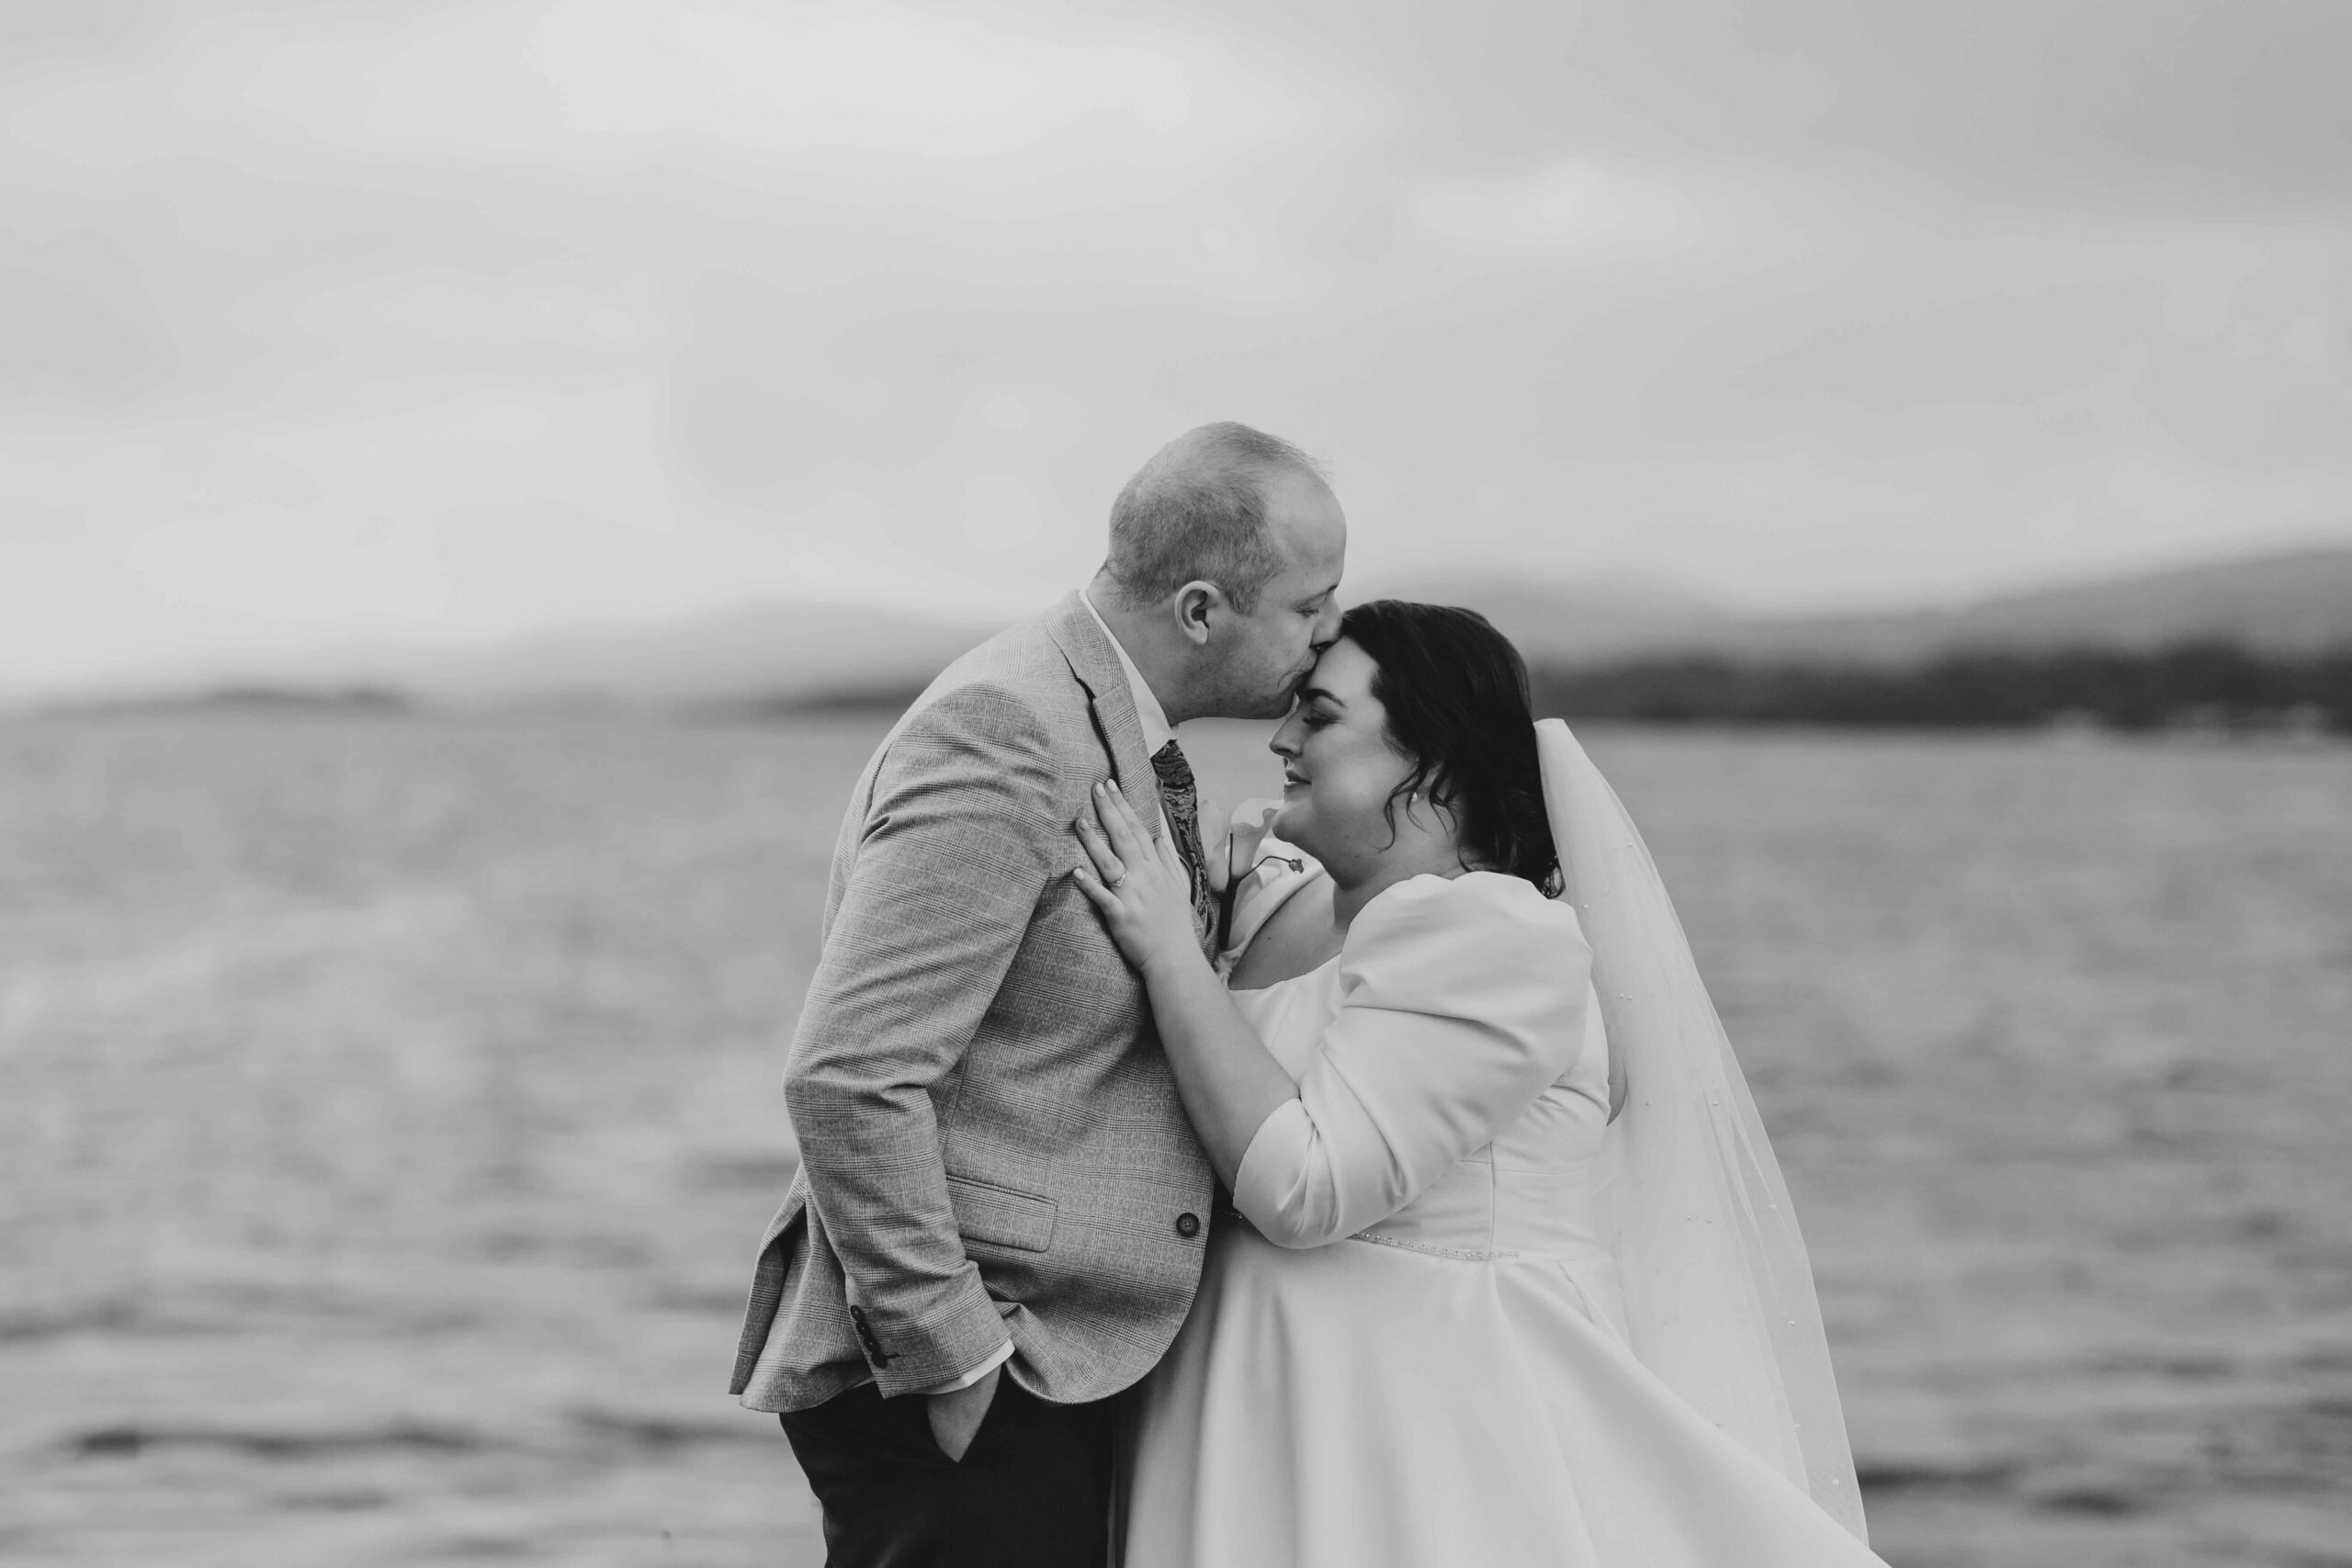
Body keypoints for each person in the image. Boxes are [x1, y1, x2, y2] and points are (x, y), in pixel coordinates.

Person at [1071, 600, 1892, 1567]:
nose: (1282, 739)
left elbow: (1306, 1185)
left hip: (1420, 1436)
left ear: (1434, 759)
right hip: (1245, 1412)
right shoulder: (1282, 901)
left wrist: (1169, 950)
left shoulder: (1495, 935)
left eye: (1320, 715)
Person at [729, 422, 1346, 1567]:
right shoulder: (1010, 725)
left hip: (1055, 1359)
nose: (1330, 632)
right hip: (979, 1369)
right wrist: (957, 1357)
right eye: (1311, 605)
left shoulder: (1105, 721)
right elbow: (849, 1074)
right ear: (1201, 611)